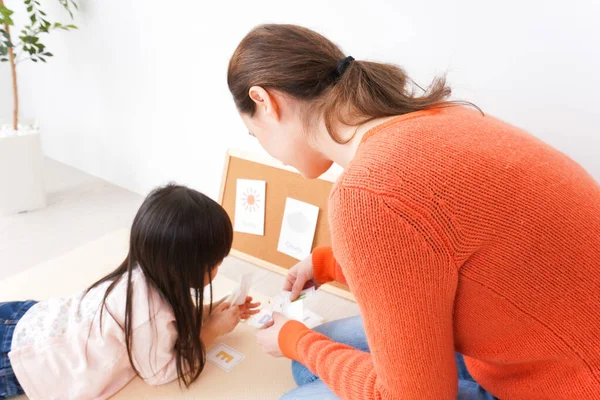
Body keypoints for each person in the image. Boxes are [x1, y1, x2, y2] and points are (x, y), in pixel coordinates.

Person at [227, 24, 600, 399]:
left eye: (254, 135)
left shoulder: (371, 192)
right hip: (549, 348)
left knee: (299, 380)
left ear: (265, 101)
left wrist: (297, 341)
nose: (264, 148)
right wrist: (331, 264)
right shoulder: (437, 117)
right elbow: (446, 263)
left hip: (568, 384)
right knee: (307, 363)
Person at [0, 184, 261, 399]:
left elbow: (169, 320)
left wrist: (208, 312)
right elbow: (161, 372)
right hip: (25, 359)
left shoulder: (148, 275)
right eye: (214, 263)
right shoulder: (147, 312)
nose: (218, 269)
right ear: (182, 267)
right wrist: (212, 330)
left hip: (28, 319)